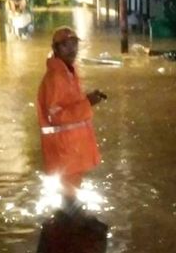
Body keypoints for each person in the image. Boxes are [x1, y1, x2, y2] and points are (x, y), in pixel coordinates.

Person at [37, 26, 106, 213]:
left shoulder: (68, 72)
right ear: (56, 49)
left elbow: (69, 103)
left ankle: (67, 226)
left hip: (71, 147)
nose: (72, 49)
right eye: (65, 45)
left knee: (72, 194)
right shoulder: (56, 77)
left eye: (74, 44)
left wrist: (87, 100)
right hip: (64, 148)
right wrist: (87, 103)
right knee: (69, 201)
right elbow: (56, 115)